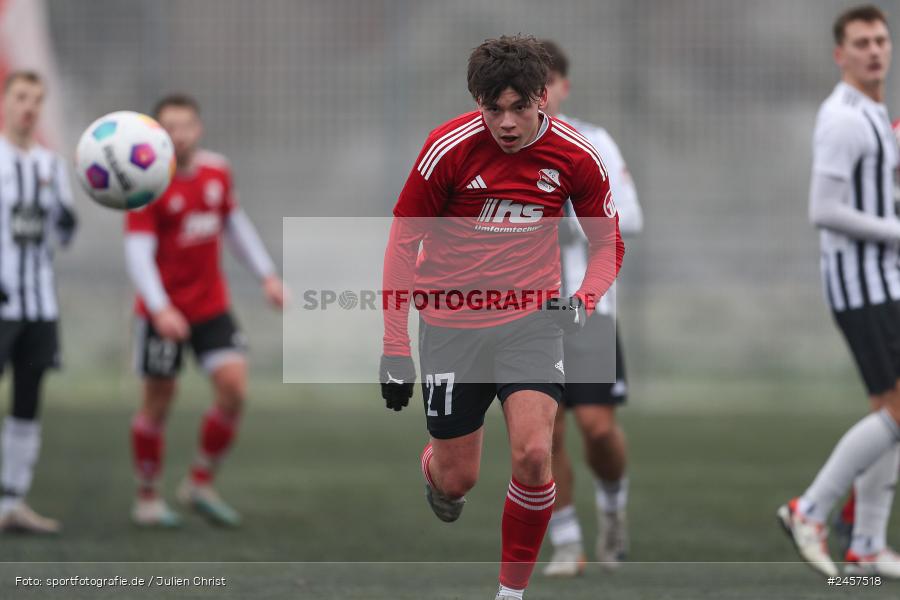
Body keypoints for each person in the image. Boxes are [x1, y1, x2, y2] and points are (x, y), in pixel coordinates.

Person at [379, 35, 624, 600]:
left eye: (519, 107)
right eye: (494, 109)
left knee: (536, 453)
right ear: (477, 102)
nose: (507, 123)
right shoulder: (448, 149)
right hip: (449, 326)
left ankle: (510, 594)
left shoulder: (576, 154)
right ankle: (435, 465)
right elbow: (402, 243)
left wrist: (583, 300)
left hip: (531, 322)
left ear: (543, 95)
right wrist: (395, 346)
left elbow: (606, 245)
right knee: (457, 478)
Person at [125, 93, 285, 528]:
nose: (178, 135)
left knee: (234, 389)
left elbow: (233, 224)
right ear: (156, 134)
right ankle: (147, 495)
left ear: (199, 128)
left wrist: (267, 276)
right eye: (168, 127)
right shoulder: (146, 181)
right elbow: (137, 252)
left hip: (210, 305)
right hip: (164, 313)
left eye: (186, 125)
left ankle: (199, 481)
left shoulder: (217, 170)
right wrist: (160, 309)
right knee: (159, 401)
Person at [778, 5, 900, 578]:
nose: (874, 50)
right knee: (897, 410)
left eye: (881, 40)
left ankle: (868, 545)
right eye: (861, 42)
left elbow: (873, 196)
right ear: (840, 53)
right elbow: (823, 210)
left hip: (882, 279)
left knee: (890, 412)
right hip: (862, 283)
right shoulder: (844, 117)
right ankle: (811, 508)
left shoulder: (873, 112)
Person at [538, 40, 644, 576]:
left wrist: (566, 221)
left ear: (562, 86)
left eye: (548, 82)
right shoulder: (505, 147)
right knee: (545, 430)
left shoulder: (593, 142)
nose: (541, 94)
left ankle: (613, 509)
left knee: (598, 429)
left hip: (587, 307)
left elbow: (629, 218)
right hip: (528, 312)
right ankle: (566, 541)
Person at [0, 70, 77, 534]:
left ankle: (12, 500)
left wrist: (66, 217)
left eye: (36, 99)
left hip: (39, 305)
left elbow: (64, 235)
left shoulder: (52, 166)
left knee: (28, 401)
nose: (29, 106)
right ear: (6, 103)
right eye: (21, 97)